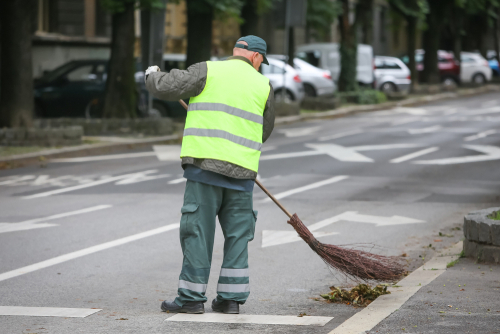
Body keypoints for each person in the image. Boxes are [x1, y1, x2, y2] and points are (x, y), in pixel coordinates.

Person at [145, 35, 275, 315]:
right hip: (242, 175)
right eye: (262, 61)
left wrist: (151, 75)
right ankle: (230, 299)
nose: (260, 66)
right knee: (239, 236)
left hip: (205, 169)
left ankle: (191, 298)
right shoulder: (263, 85)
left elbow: (168, 86)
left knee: (197, 233)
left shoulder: (208, 70)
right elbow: (263, 130)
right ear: (255, 56)